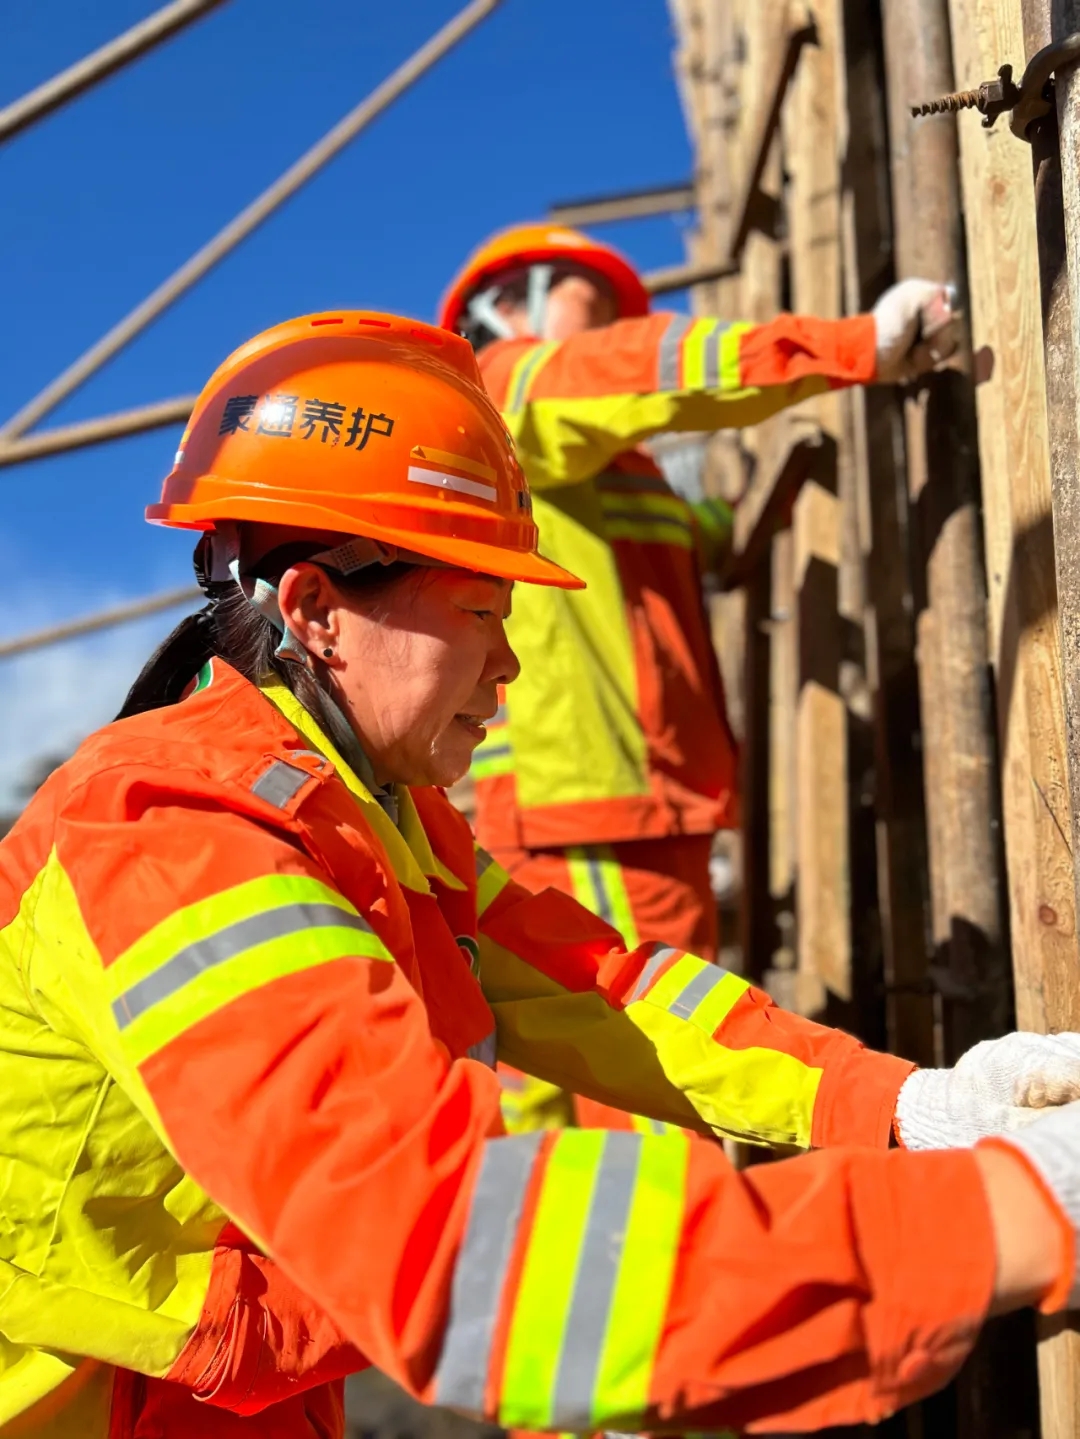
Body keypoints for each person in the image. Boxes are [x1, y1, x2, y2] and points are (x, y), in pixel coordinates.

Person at [2, 310, 1079, 1439]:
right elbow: (445, 1232)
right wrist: (1011, 1212)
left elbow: (603, 987)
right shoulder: (167, 829)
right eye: (479, 610)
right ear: (318, 612)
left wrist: (905, 1103)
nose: (509, 662)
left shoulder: (379, 818)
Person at [438, 222, 958, 1132]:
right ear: (508, 304)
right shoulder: (505, 383)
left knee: (560, 1097)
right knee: (659, 1090)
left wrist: (734, 519)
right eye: (590, 304)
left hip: (612, 803)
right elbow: (635, 368)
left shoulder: (585, 463)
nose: (610, 326)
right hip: (597, 807)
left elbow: (671, 547)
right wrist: (848, 346)